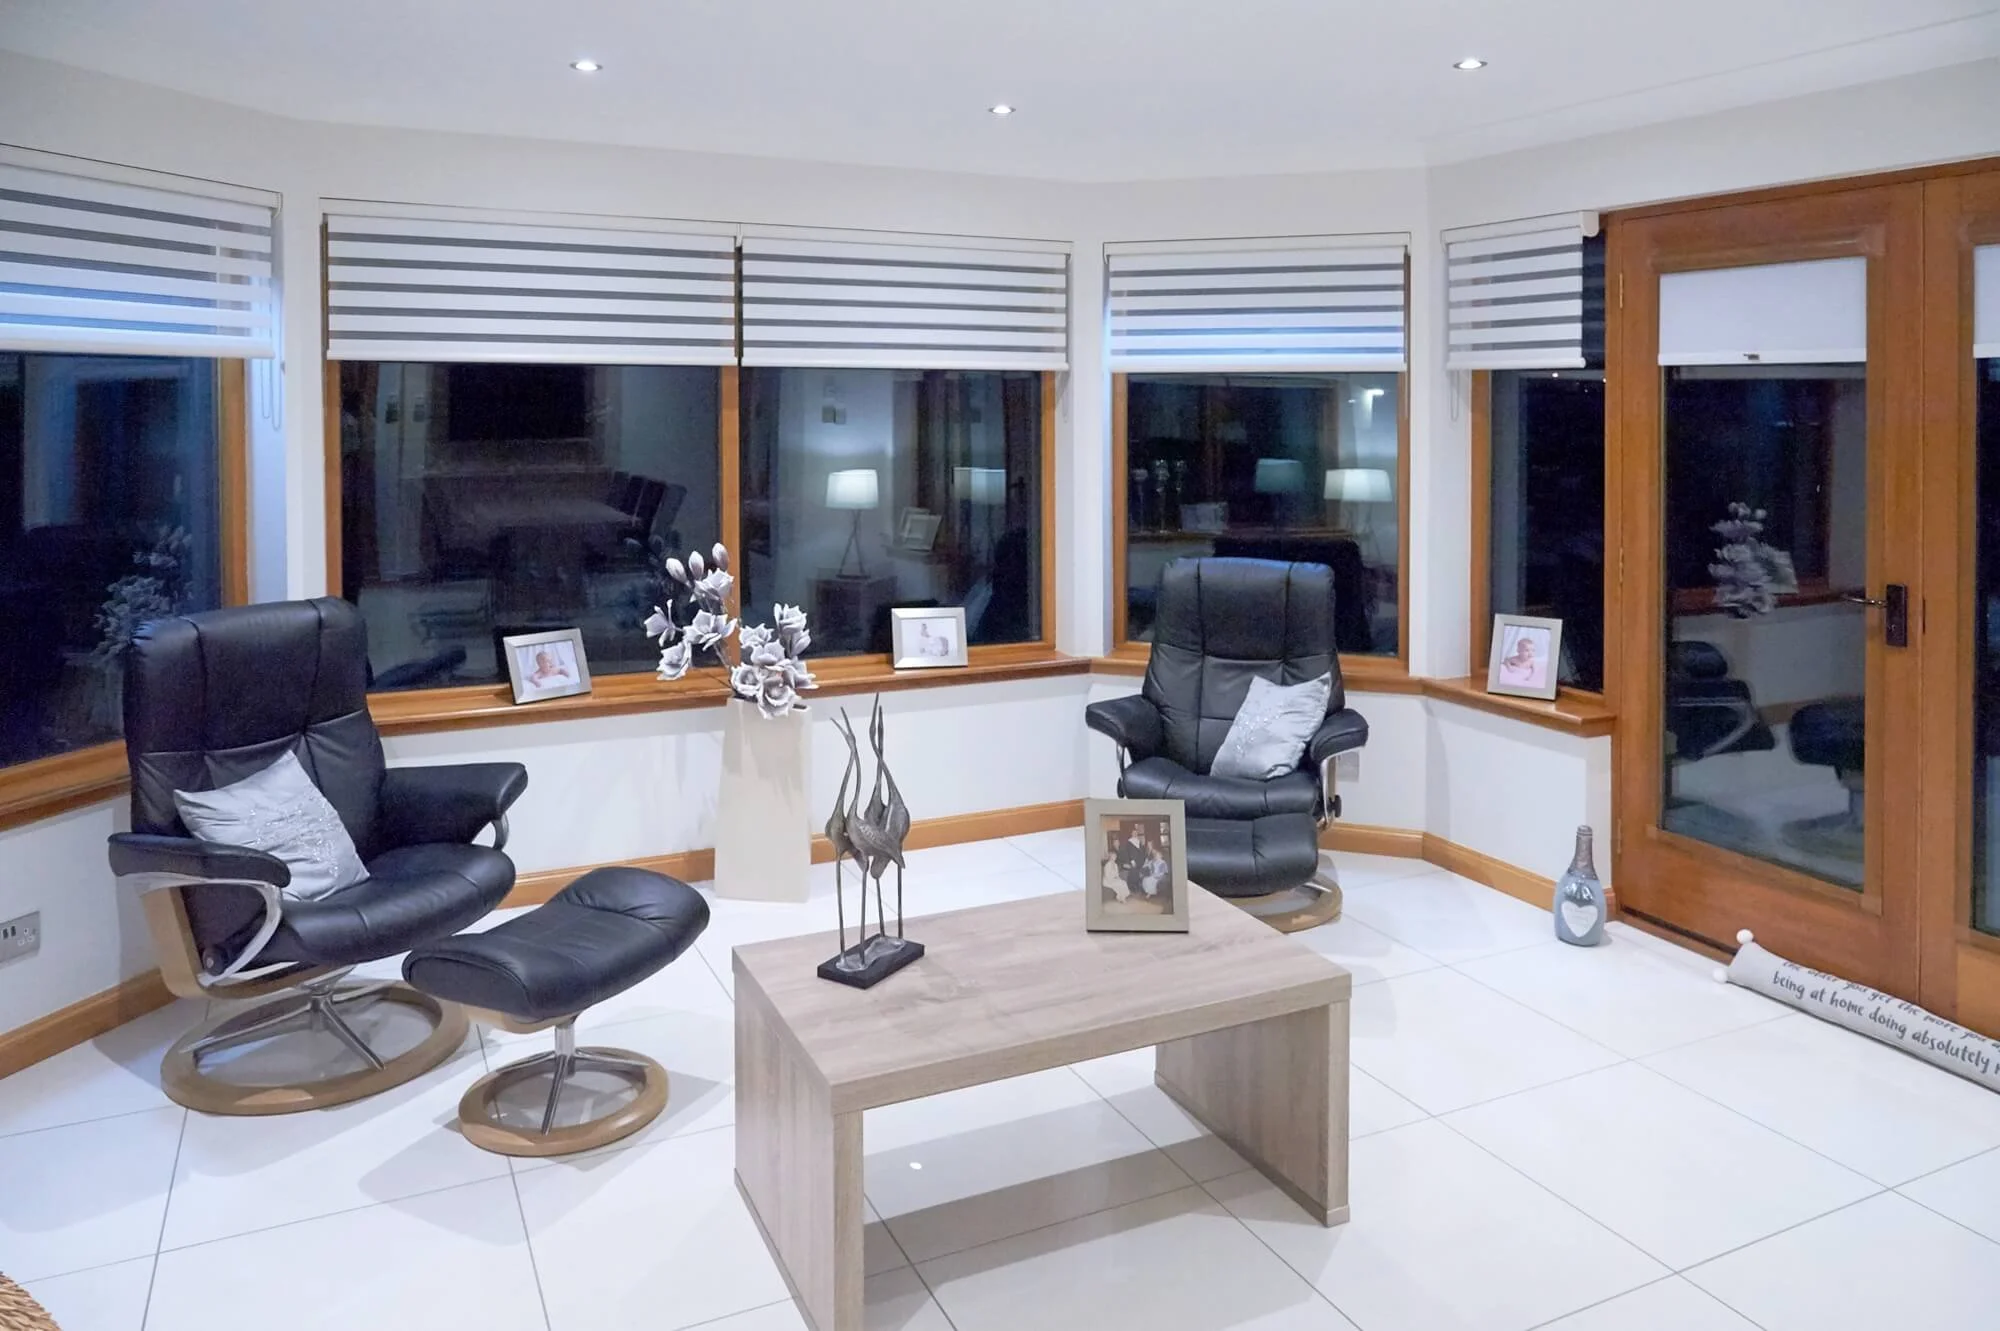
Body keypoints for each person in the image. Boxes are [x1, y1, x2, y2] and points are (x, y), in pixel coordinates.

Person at [1114, 824, 1148, 898]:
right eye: (1134, 833)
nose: (1135, 834)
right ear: (1131, 834)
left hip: (1140, 861)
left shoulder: (1139, 841)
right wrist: (1132, 860)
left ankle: (1139, 887)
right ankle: (1133, 887)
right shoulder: (1129, 842)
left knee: (1141, 870)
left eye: (1136, 833)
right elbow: (1130, 852)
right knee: (1134, 871)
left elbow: (1142, 852)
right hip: (1134, 861)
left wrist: (1145, 860)